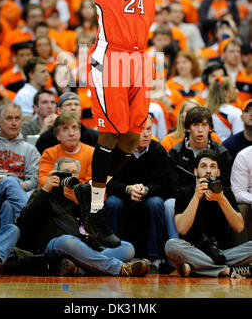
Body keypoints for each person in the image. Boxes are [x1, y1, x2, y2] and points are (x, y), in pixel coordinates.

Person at [83, 0, 196, 247]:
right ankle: (95, 211)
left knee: (131, 139)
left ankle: (91, 193)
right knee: (109, 137)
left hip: (139, 58)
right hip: (110, 55)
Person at [16, 157, 150, 277]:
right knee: (68, 241)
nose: (70, 176)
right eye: (65, 172)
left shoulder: (82, 195)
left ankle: (80, 269)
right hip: (56, 246)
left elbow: (99, 229)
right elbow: (25, 222)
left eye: (74, 173)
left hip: (87, 248)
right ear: (55, 174)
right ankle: (120, 269)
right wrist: (45, 189)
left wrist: (81, 203)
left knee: (127, 248)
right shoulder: (44, 193)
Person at [165, 148, 252, 278]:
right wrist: (196, 197)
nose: (208, 171)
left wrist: (221, 199)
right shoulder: (184, 192)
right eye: (203, 166)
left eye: (213, 167)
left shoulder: (226, 192)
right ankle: (228, 271)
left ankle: (197, 268)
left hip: (223, 253)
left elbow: (239, 227)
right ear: (196, 171)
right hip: (194, 251)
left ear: (218, 172)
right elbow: (182, 229)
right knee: (171, 245)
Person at [104, 115, 169, 268]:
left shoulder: (158, 151)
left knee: (156, 203)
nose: (146, 134)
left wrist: (144, 190)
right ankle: (114, 254)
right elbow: (110, 181)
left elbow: (164, 184)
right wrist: (128, 189)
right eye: (141, 130)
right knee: (112, 203)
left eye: (149, 129)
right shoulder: (118, 150)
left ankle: (154, 259)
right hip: (123, 195)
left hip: (148, 196)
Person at [165, 106, 233, 240]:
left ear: (210, 128)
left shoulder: (222, 153)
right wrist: (194, 194)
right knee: (169, 204)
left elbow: (226, 184)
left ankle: (221, 246)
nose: (200, 130)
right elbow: (172, 187)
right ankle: (175, 253)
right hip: (185, 197)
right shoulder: (175, 153)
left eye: (204, 125)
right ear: (188, 128)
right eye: (196, 125)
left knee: (228, 200)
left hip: (213, 195)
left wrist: (211, 193)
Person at [38, 112, 93, 187]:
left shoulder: (92, 153)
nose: (71, 133)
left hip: (81, 196)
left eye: (74, 128)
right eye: (65, 129)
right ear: (57, 135)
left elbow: (91, 183)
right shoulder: (49, 154)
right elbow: (43, 180)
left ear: (80, 132)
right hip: (55, 195)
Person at [205, 75, 243, 142]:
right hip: (227, 151)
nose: (238, 91)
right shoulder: (235, 112)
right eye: (234, 88)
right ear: (225, 92)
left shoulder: (204, 110)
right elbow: (239, 141)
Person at [231, 145, 252, 246]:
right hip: (251, 202)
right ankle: (243, 257)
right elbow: (237, 191)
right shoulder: (244, 156)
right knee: (241, 209)